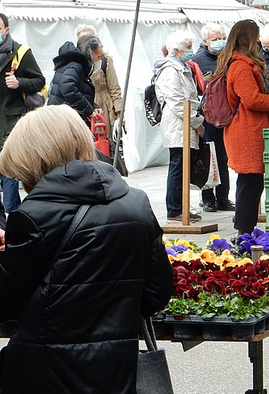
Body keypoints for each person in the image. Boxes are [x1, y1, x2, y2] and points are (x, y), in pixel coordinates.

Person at [0, 104, 172, 393]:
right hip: (116, 376)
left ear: (36, 161)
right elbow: (157, 294)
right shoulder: (136, 203)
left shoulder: (35, 215)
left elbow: (5, 303)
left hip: (45, 377)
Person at [215, 20, 269, 235]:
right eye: (256, 37)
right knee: (249, 184)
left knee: (250, 183)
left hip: (247, 130)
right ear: (247, 39)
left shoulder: (237, 63)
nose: (258, 41)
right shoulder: (241, 66)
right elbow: (251, 99)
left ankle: (245, 231)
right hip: (247, 131)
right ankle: (244, 233)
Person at [155, 30, 204, 222]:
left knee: (182, 167)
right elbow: (178, 103)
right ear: (176, 50)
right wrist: (196, 122)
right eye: (188, 48)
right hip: (178, 126)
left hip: (183, 124)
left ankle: (181, 206)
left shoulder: (181, 68)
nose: (191, 51)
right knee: (178, 167)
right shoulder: (170, 71)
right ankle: (175, 209)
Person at [0, 13, 45, 213]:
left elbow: (40, 81)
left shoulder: (21, 53)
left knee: (8, 171)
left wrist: (20, 83)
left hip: (11, 121)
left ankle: (13, 216)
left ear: (6, 30)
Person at [193, 23, 235, 213]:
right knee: (209, 159)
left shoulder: (229, 58)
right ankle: (208, 199)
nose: (220, 42)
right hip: (207, 119)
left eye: (222, 38)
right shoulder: (197, 62)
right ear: (205, 41)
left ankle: (223, 198)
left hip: (227, 117)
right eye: (215, 39)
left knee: (224, 158)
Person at [75, 24, 124, 138]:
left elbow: (114, 88)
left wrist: (119, 114)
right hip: (83, 108)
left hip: (104, 108)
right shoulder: (75, 63)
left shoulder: (104, 60)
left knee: (104, 144)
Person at [48, 34, 103, 125]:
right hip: (64, 121)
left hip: (60, 117)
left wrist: (93, 107)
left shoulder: (72, 65)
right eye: (99, 56)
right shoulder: (76, 66)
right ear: (91, 53)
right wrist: (89, 110)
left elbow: (80, 92)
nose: (100, 60)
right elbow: (68, 88)